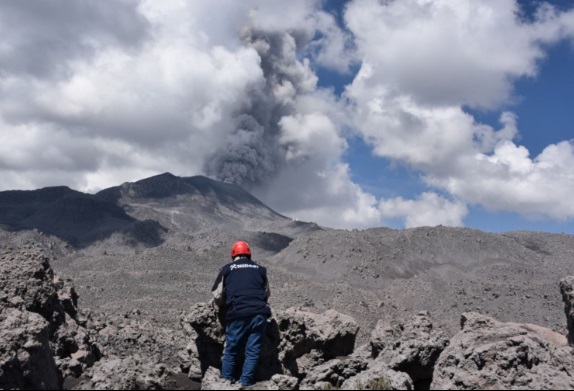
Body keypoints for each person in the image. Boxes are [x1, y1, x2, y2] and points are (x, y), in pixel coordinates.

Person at [211, 240, 271, 386]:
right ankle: (246, 383)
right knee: (253, 351)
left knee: (231, 350)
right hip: (259, 314)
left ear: (233, 254)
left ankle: (226, 383)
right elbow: (267, 293)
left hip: (237, 313)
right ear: (249, 253)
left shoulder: (227, 269)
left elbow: (217, 296)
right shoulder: (260, 269)